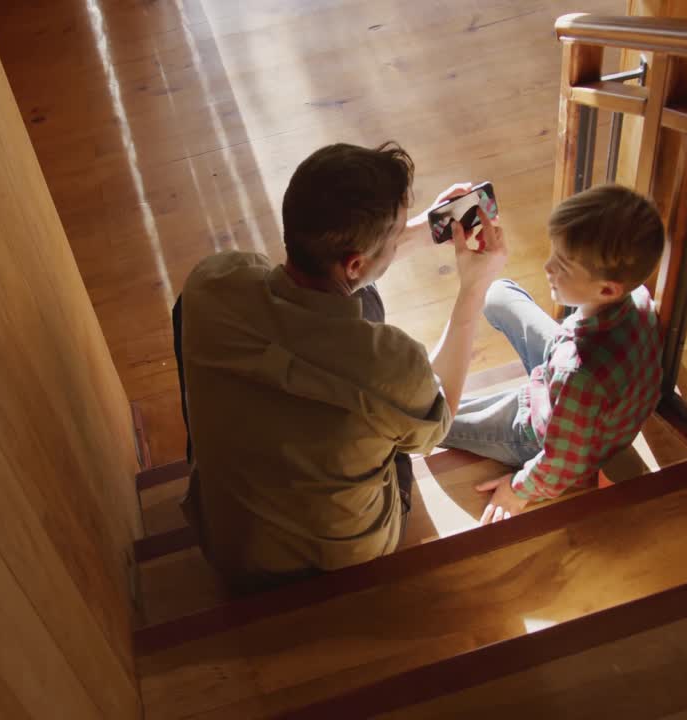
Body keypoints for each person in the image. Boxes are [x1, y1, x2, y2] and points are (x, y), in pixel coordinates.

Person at [173, 141, 506, 591]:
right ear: (355, 263)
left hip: (228, 546)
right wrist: (473, 290)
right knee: (403, 407)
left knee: (362, 302)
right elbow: (438, 419)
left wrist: (423, 230)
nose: (400, 238)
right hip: (342, 559)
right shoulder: (390, 367)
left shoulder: (211, 284)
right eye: (394, 237)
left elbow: (317, 278)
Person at [440, 184, 665, 525]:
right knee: (497, 294)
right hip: (578, 383)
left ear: (606, 289)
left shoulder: (577, 376)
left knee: (434, 423)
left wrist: (519, 489)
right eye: (553, 255)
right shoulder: (640, 299)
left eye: (562, 266)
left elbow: (562, 461)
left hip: (537, 431)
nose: (547, 267)